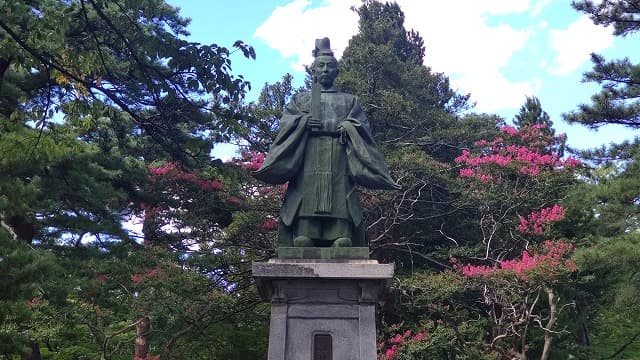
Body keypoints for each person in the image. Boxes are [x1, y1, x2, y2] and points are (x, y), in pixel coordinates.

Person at [253, 37, 400, 248]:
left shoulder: (350, 100)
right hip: (308, 153)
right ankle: (305, 232)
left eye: (330, 66)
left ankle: (339, 234)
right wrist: (303, 122)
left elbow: (362, 127)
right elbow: (286, 124)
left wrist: (348, 127)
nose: (325, 70)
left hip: (339, 153)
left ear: (337, 71)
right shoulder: (301, 99)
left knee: (339, 191)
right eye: (320, 66)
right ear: (313, 70)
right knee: (307, 190)